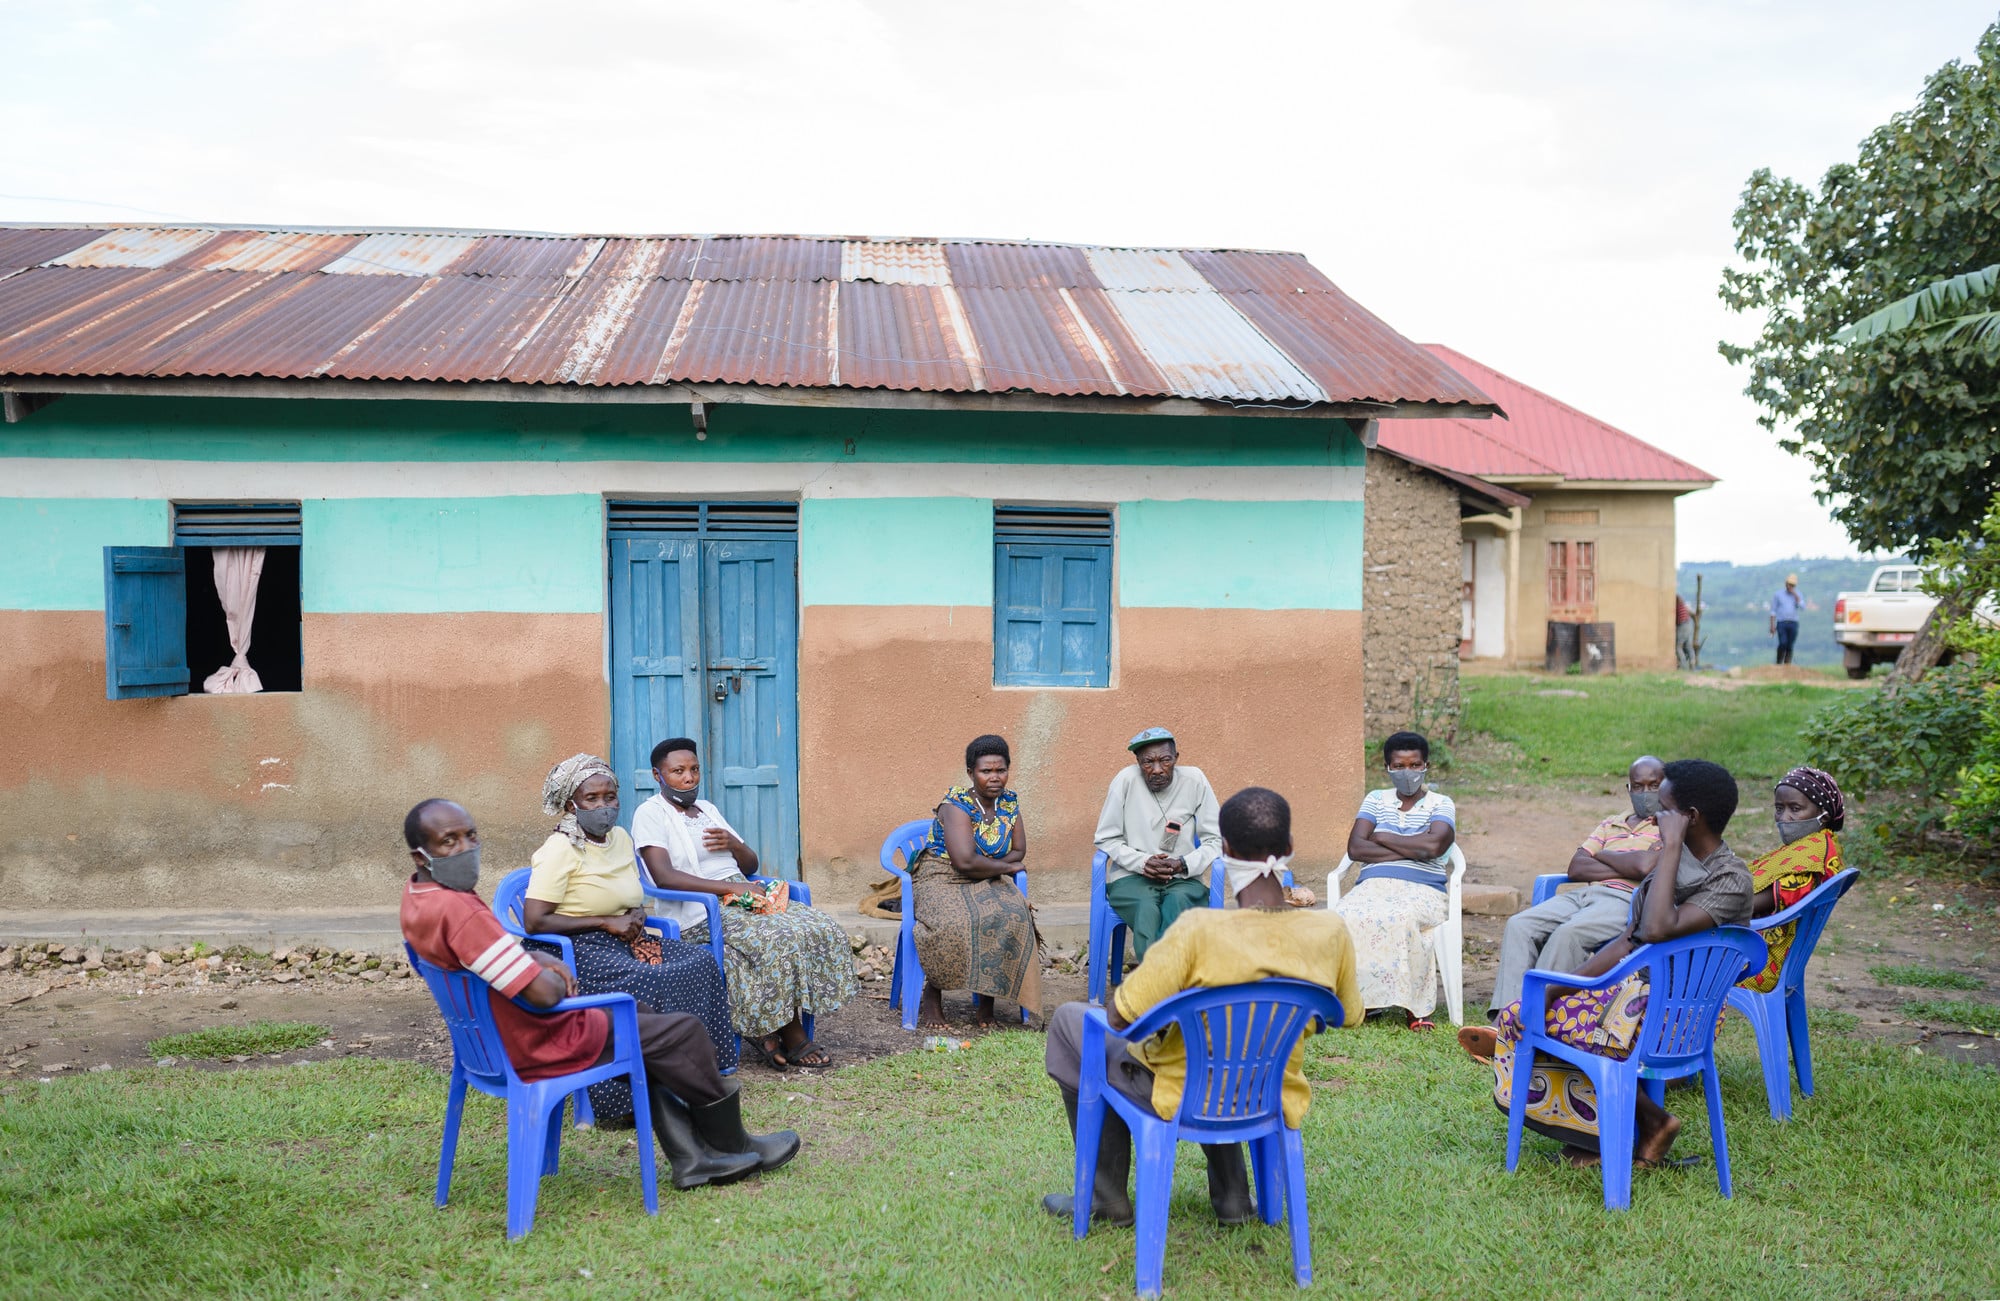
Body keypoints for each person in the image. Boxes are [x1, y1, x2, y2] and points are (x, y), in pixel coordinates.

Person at [400, 798, 797, 1189]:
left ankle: (693, 1159)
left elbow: (494, 956)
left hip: (490, 1041)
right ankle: (733, 1144)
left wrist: (534, 956)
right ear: (422, 856)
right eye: (448, 842)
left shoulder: (420, 899)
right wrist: (553, 975)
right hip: (536, 1039)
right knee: (684, 1032)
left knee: (645, 1024)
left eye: (470, 835)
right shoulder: (463, 912)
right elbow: (543, 996)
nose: (465, 848)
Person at [1042, 787, 1362, 1227]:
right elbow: (1346, 1014)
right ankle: (1233, 1198)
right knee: (1227, 1046)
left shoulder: (1197, 931)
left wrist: (1165, 1003)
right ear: (1289, 849)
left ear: (1224, 851)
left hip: (1184, 1094)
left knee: (1068, 1022)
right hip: (1268, 1090)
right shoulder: (1331, 931)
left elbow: (1120, 1017)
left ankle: (1106, 1198)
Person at [1461, 759, 1752, 1167]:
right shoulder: (1671, 865)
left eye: (1665, 810)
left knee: (1563, 1025)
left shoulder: (1730, 878)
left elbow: (1654, 929)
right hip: (1632, 996)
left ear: (1689, 818)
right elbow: (1624, 943)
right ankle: (1627, 1127)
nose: (1655, 816)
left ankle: (1627, 1129)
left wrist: (1668, 848)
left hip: (1680, 1015)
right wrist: (1553, 989)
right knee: (1524, 1013)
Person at [520, 753, 737, 1123]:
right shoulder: (559, 848)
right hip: (572, 949)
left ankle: (701, 1074)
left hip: (624, 938)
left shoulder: (619, 838)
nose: (604, 807)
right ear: (571, 804)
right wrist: (606, 921)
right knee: (649, 978)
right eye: (592, 799)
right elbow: (535, 921)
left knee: (698, 963)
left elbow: (630, 892)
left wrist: (635, 913)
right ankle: (625, 1098)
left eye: (610, 797)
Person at [632, 737, 858, 1071]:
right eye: (678, 771)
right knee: (774, 940)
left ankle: (769, 1027)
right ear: (657, 775)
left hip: (745, 899)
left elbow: (749, 865)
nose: (689, 778)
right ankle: (792, 1034)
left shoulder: (708, 810)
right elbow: (664, 877)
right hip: (699, 910)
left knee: (820, 928)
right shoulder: (650, 814)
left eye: (694, 769)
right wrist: (728, 889)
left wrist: (733, 844)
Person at [1485, 756, 1664, 1018]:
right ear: (1629, 789)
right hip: (1584, 894)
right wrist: (1628, 864)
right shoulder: (1611, 822)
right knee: (1519, 925)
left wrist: (1603, 855)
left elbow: (1644, 868)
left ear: (1667, 786)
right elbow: (1577, 867)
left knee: (1568, 934)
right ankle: (1505, 1017)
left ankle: (1532, 1018)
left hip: (1626, 900)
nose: (1645, 793)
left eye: (1654, 786)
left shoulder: (1670, 825)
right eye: (1638, 786)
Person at [910, 734, 1043, 1028]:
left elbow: (1020, 849)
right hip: (941, 874)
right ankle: (933, 993)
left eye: (1001, 770)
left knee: (1012, 915)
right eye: (986, 771)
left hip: (986, 873)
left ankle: (986, 1003)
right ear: (971, 773)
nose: (994, 778)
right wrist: (1003, 867)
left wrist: (994, 867)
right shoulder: (955, 804)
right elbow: (964, 861)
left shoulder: (1009, 803)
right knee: (954, 921)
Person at [1334, 731, 1456, 1029]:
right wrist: (1412, 848)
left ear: (1426, 765)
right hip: (1373, 885)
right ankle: (1359, 1003)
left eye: (1415, 765)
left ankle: (1414, 1007)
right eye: (1399, 766)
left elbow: (1434, 847)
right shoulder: (1376, 800)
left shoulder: (1441, 803)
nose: (1407, 773)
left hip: (1424, 889)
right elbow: (1356, 848)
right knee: (1344, 915)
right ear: (1387, 768)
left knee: (1402, 917)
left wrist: (1384, 836)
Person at [1093, 726, 1222, 962]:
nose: (1157, 769)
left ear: (1176, 758)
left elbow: (1215, 840)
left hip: (1183, 879)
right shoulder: (1125, 780)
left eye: (1165, 760)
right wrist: (1143, 862)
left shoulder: (1195, 780)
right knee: (1146, 910)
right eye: (1147, 762)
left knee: (1178, 905)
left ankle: (1158, 983)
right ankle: (1165, 985)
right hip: (1132, 877)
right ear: (1137, 762)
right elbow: (1106, 837)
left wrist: (1183, 864)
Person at [1740, 767, 1847, 993]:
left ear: (1823, 816)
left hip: (1758, 962)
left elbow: (1742, 906)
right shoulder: (1821, 847)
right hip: (1770, 953)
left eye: (1795, 809)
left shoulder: (1809, 861)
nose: (1784, 818)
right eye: (1779, 808)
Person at [1770, 574, 1804, 665]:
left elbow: (1802, 606)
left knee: (1790, 645)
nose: (1790, 587)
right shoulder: (1778, 595)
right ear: (1786, 584)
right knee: (1783, 642)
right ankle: (1779, 662)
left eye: (1792, 585)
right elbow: (1773, 611)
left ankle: (1787, 664)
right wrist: (1772, 626)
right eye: (1789, 584)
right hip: (1782, 623)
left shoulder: (1798, 594)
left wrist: (1795, 594)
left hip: (1793, 623)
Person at [1675, 594, 1695, 669]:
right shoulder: (1683, 605)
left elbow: (1675, 619)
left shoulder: (1677, 606)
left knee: (1678, 647)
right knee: (1688, 646)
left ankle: (1683, 666)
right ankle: (1692, 664)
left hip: (1682, 626)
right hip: (1689, 625)